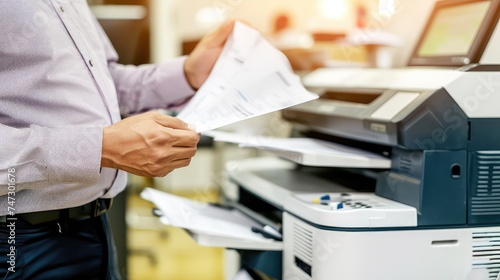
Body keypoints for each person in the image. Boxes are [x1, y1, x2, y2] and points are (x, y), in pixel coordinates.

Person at [0, 1, 235, 279]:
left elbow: (106, 85)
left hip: (95, 228)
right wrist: (101, 147)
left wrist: (188, 74)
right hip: (18, 241)